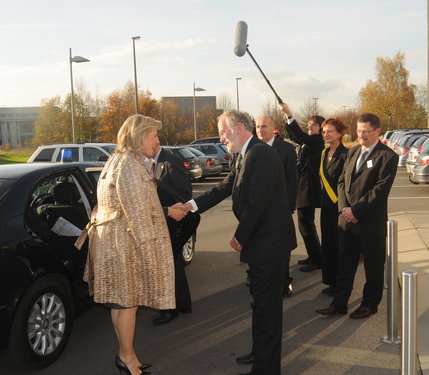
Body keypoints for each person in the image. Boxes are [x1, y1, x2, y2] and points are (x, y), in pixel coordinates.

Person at [175, 110, 296, 375]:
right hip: (261, 245)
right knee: (259, 304)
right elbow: (225, 187)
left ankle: (266, 368)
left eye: (223, 131)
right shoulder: (244, 155)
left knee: (267, 309)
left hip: (269, 246)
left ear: (239, 127)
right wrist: (190, 205)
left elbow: (258, 203)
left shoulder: (260, 154)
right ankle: (260, 354)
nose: (221, 137)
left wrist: (239, 237)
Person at [79, 114, 181, 375]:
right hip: (122, 245)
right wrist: (152, 257)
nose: (157, 141)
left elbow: (133, 206)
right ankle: (127, 358)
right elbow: (137, 214)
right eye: (154, 135)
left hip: (115, 243)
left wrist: (166, 211)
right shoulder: (128, 165)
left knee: (121, 303)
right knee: (127, 304)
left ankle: (127, 355)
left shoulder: (120, 159)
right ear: (139, 136)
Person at [316, 113, 398, 319]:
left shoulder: (388, 156)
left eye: (365, 131)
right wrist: (345, 209)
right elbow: (342, 181)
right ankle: (339, 303)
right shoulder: (352, 153)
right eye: (359, 131)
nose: (361, 135)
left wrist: (356, 211)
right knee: (344, 266)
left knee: (373, 268)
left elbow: (380, 190)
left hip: (370, 223)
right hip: (348, 222)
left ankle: (370, 304)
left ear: (377, 131)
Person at [151, 143, 200, 325]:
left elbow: (184, 192)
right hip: (162, 221)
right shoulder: (150, 163)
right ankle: (183, 304)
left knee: (166, 265)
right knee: (174, 263)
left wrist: (173, 210)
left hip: (171, 221)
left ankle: (169, 309)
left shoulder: (170, 161)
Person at [255, 115, 298, 296]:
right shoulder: (252, 149)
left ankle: (284, 281)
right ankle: (257, 277)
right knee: (258, 246)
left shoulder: (286, 149)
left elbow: (292, 180)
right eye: (257, 127)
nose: (260, 130)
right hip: (257, 211)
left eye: (264, 126)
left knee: (281, 248)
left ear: (273, 127)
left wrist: (288, 206)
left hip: (279, 210)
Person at [279, 103, 324, 272]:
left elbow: (300, 135)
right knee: (305, 225)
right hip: (303, 188)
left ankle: (316, 259)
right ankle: (314, 256)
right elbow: (295, 135)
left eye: (314, 124)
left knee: (306, 225)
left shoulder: (316, 141)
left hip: (308, 189)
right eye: (310, 123)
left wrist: (290, 114)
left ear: (321, 129)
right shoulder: (308, 141)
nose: (310, 125)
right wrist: (286, 118)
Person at [317, 118, 348, 296]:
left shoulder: (346, 154)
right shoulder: (323, 153)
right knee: (328, 245)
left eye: (330, 131)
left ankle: (341, 284)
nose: (326, 134)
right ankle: (330, 281)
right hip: (326, 206)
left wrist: (344, 205)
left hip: (340, 207)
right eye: (324, 131)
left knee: (340, 247)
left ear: (339, 133)